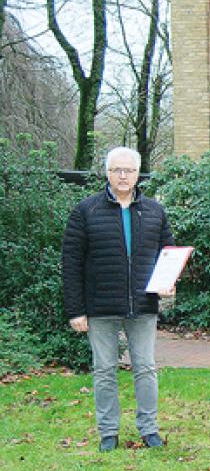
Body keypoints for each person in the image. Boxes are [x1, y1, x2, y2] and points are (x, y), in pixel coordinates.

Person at [61, 146, 175, 452]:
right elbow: (71, 263)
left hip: (143, 305)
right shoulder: (86, 210)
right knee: (104, 370)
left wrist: (169, 283)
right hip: (100, 307)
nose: (123, 176)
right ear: (107, 173)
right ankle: (108, 432)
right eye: (116, 170)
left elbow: (169, 255)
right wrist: (76, 310)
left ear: (138, 174)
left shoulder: (154, 211)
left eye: (129, 170)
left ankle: (149, 428)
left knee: (146, 368)